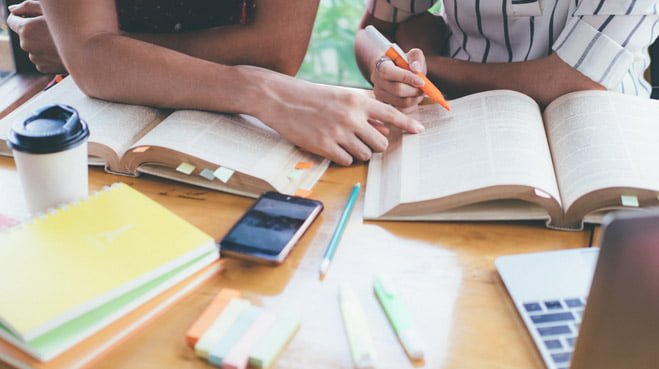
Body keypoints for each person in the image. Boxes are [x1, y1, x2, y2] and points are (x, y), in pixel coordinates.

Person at [6, 0, 425, 166]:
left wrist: (101, 48)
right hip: (86, 137)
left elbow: (276, 51)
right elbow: (93, 62)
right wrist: (261, 91)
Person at [355, 0, 659, 111]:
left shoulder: (435, 68)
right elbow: (376, 30)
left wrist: (433, 66)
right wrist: (382, 68)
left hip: (599, 124)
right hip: (455, 116)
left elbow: (571, 80)